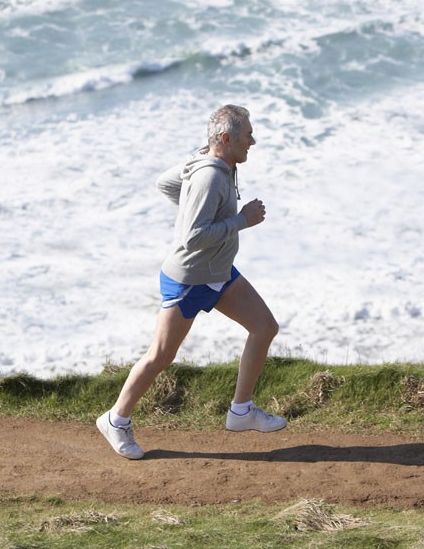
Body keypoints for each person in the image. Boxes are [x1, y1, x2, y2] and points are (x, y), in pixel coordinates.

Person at [96, 104, 286, 459]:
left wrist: (193, 207)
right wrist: (241, 221)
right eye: (248, 135)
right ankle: (116, 419)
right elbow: (192, 237)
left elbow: (165, 183)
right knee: (161, 356)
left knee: (264, 327)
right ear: (227, 139)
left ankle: (241, 412)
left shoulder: (216, 165)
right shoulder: (210, 176)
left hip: (219, 273)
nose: (254, 141)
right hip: (190, 279)